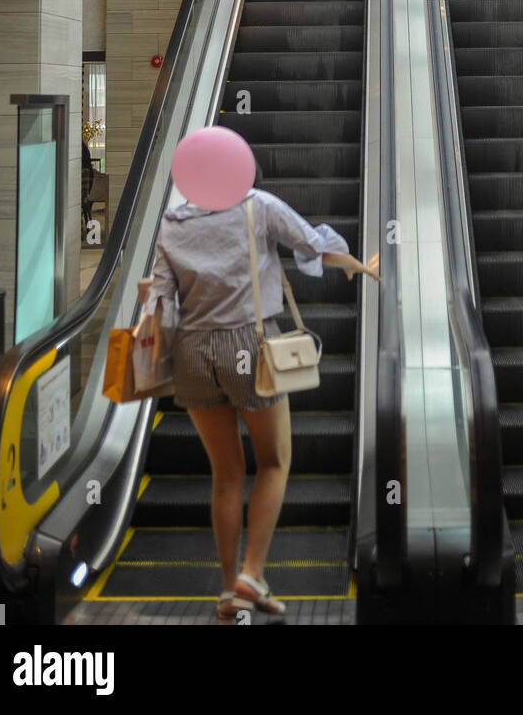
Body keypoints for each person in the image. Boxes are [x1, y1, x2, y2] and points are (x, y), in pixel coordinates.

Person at [141, 159, 379, 621]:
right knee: (274, 461)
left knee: (225, 473)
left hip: (191, 350)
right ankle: (252, 572)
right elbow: (311, 243)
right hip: (246, 342)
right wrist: (352, 263)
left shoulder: (172, 223)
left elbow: (158, 298)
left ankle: (231, 592)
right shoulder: (259, 206)